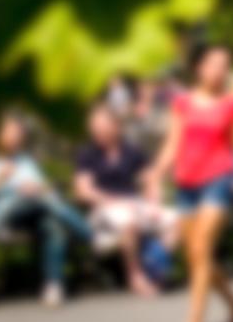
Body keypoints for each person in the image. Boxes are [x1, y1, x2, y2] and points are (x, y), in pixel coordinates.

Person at [147, 45, 233, 322]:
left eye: (225, 65)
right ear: (199, 68)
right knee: (196, 257)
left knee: (200, 248)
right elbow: (173, 142)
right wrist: (156, 172)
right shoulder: (181, 103)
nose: (219, 70)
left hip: (220, 180)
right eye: (213, 64)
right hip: (186, 182)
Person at [0, 115, 93, 308]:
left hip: (33, 212)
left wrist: (37, 189)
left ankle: (53, 286)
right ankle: (86, 232)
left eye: (19, 134)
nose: (17, 138)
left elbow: (46, 190)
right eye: (11, 133)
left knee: (52, 224)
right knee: (39, 203)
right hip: (0, 219)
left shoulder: (24, 161)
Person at [72, 103, 174, 297]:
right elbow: (84, 191)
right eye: (94, 128)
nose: (98, 132)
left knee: (175, 220)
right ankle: (135, 276)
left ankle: (156, 263)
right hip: (103, 208)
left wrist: (155, 203)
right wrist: (112, 200)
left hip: (133, 203)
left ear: (116, 126)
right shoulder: (87, 154)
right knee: (128, 220)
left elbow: (151, 178)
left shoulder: (131, 150)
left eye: (102, 127)